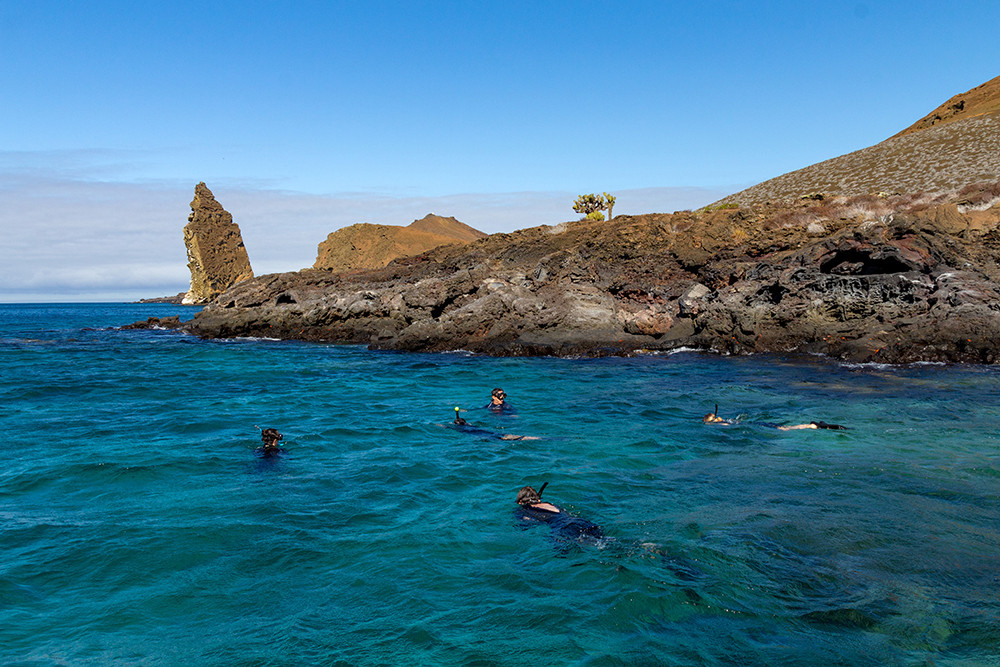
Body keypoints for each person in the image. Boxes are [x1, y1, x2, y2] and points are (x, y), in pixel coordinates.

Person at [515, 483, 604, 544]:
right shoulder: (551, 504)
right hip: (580, 522)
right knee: (603, 541)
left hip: (563, 529)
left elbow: (527, 524)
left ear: (520, 502)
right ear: (538, 499)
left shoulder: (524, 511)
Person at [702, 406, 847, 430]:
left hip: (756, 424)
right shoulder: (723, 423)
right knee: (783, 428)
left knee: (783, 428)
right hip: (756, 425)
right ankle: (811, 426)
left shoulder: (725, 422)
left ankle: (812, 426)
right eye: (715, 417)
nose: (718, 416)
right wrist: (719, 422)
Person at [451, 407, 538, 440]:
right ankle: (535, 438)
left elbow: (446, 426)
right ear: (466, 422)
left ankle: (530, 438)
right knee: (504, 435)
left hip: (482, 435)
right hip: (484, 431)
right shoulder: (470, 425)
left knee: (503, 438)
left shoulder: (460, 429)